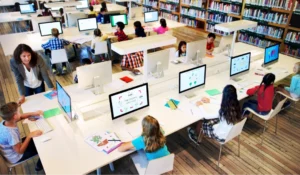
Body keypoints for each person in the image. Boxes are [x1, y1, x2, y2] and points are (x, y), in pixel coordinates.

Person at [0, 102, 44, 171]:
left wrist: (33, 114)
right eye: (19, 112)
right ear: (15, 116)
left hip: (15, 146)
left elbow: (20, 117)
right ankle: (39, 166)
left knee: (37, 139)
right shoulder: (11, 134)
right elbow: (20, 151)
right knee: (42, 147)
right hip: (16, 156)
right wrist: (29, 135)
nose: (20, 114)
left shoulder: (5, 121)